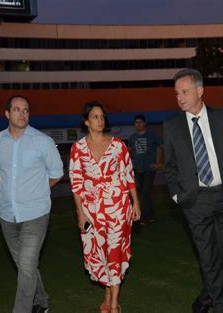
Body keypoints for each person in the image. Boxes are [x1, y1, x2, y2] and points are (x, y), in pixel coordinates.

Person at [163, 68, 223, 313]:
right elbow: (169, 165)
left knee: (222, 257)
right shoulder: (171, 125)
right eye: (177, 93)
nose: (179, 97)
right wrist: (177, 194)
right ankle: (221, 307)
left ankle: (204, 301)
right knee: (208, 258)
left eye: (184, 91)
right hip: (195, 202)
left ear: (200, 91)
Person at [0, 96, 64, 313]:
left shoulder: (43, 141)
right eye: (17, 109)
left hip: (36, 213)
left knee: (27, 265)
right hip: (6, 214)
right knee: (25, 266)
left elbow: (57, 173)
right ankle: (42, 302)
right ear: (7, 114)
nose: (22, 114)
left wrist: (37, 190)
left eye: (26, 110)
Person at [69, 101, 141, 313]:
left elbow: (128, 174)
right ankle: (108, 292)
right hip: (92, 211)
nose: (100, 120)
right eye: (95, 117)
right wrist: (80, 213)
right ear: (86, 121)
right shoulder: (78, 148)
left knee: (115, 252)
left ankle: (113, 304)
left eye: (102, 116)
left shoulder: (118, 144)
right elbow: (76, 183)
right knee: (99, 254)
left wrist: (135, 202)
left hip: (118, 206)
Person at [128, 114, 164, 225]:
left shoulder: (152, 136)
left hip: (149, 168)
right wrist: (131, 161)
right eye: (136, 122)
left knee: (145, 192)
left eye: (140, 122)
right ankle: (151, 216)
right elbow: (129, 152)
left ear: (145, 123)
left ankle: (144, 217)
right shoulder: (132, 138)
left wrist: (159, 163)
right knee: (144, 193)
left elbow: (162, 147)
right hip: (138, 169)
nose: (138, 124)